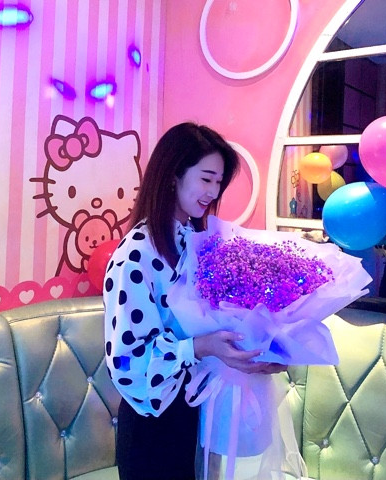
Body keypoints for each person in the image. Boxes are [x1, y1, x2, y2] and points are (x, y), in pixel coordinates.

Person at [103, 122, 284, 480]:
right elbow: (126, 360)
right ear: (173, 175)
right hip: (153, 424)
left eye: (219, 182)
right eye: (206, 178)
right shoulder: (136, 255)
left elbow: (216, 324)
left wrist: (254, 351)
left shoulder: (198, 240)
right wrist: (201, 346)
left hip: (197, 413)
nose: (213, 191)